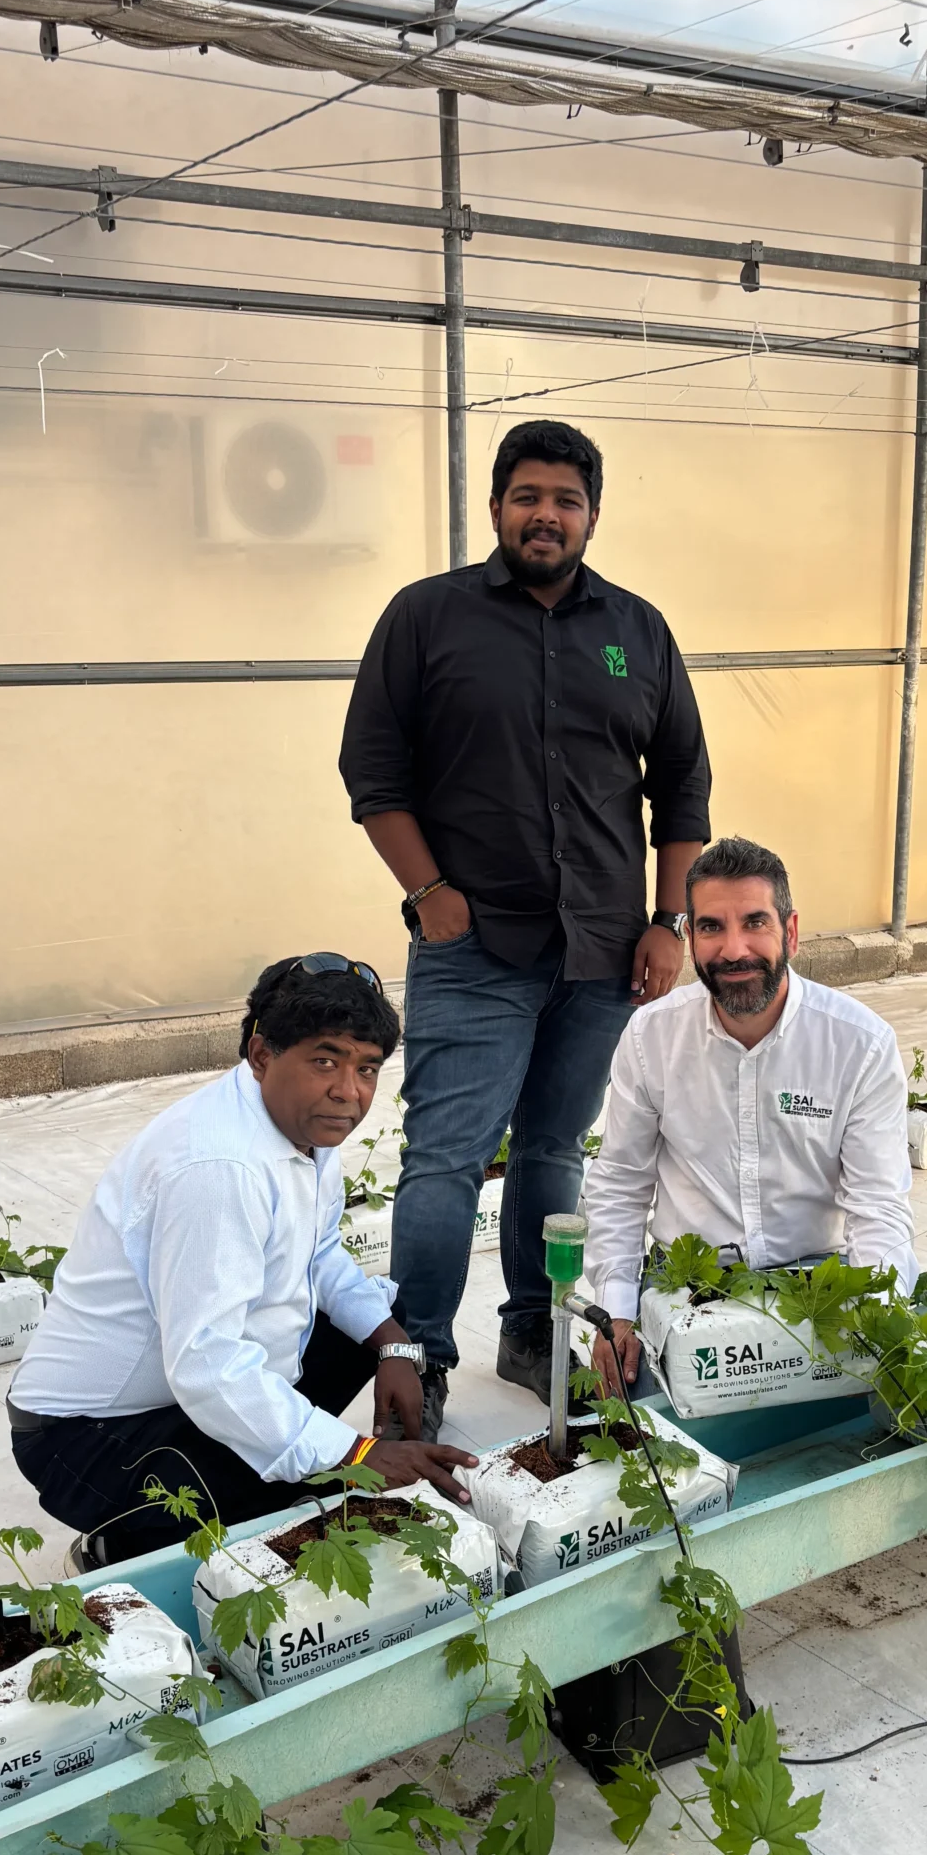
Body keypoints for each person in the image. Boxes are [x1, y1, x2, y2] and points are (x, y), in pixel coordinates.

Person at [339, 417, 711, 1425]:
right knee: (445, 1158)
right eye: (529, 497)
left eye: (567, 501)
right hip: (475, 947)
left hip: (602, 950)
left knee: (554, 1149)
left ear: (592, 515)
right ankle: (418, 1359)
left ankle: (535, 1330)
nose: (547, 516)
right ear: (499, 506)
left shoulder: (638, 631)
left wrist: (669, 919)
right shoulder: (427, 617)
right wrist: (429, 893)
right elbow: (372, 768)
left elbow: (682, 782)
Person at [6, 955, 474, 1565]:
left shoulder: (304, 1124)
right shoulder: (217, 1168)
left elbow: (319, 1253)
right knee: (260, 1512)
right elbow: (207, 1363)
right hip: (85, 1434)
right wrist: (355, 1454)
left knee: (376, 1320)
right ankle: (118, 1541)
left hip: (175, 1385)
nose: (349, 1091)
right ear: (261, 1055)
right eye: (325, 1060)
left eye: (367, 1068)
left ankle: (268, 1465)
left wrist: (396, 1349)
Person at [580, 835, 916, 1394]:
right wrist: (616, 1310)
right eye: (711, 927)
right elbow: (620, 1182)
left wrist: (880, 1315)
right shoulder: (651, 1036)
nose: (733, 950)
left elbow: (877, 1204)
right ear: (691, 938)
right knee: (649, 1432)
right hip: (686, 1284)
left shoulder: (859, 1045)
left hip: (818, 1283)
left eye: (755, 922)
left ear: (791, 931)